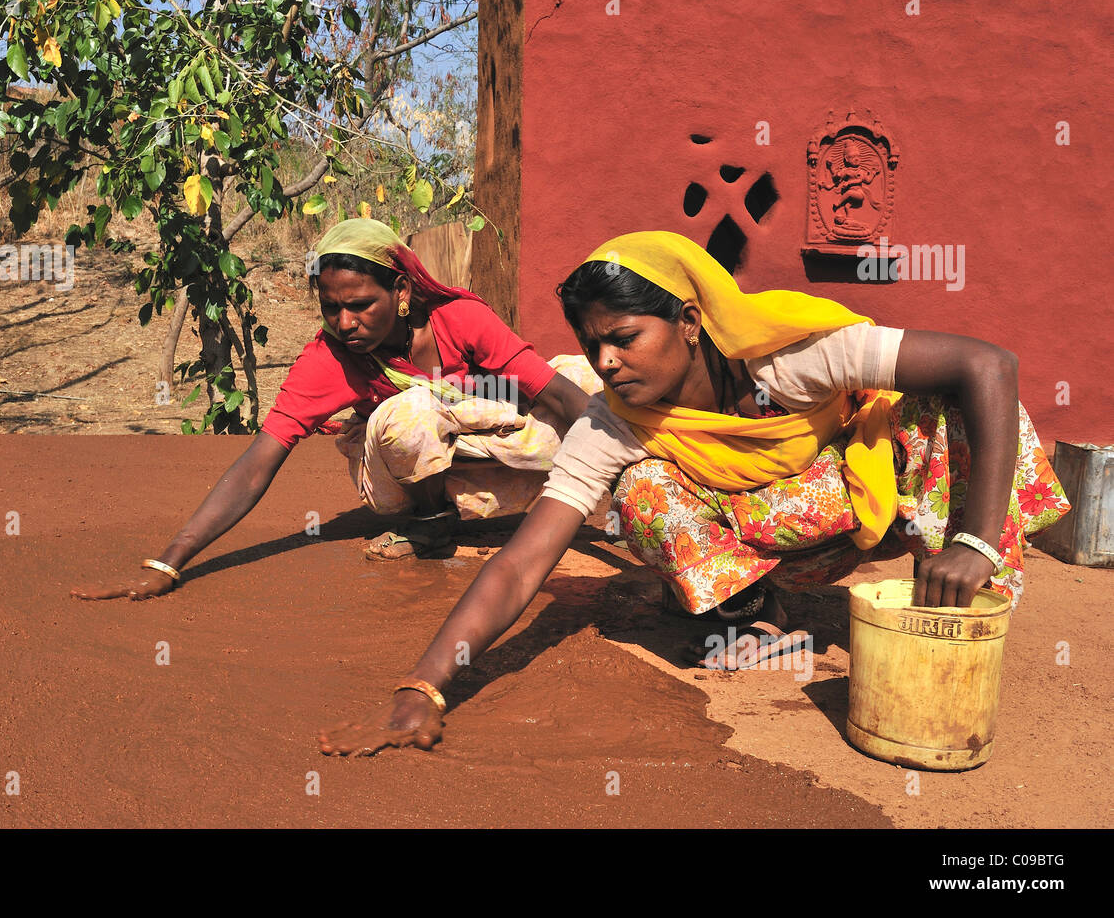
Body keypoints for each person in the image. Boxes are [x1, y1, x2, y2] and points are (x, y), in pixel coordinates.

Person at [318, 230, 1071, 756]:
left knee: (941, 409)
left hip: (855, 513)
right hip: (771, 549)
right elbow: (520, 564)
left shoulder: (793, 358)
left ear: (686, 322)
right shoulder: (617, 422)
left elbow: (990, 365)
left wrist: (972, 540)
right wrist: (427, 684)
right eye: (591, 346)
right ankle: (754, 614)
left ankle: (959, 626)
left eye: (623, 337)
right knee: (641, 489)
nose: (605, 363)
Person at [70, 218, 599, 601]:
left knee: (582, 374)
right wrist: (171, 560)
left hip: (491, 454)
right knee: (407, 412)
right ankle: (432, 525)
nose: (345, 323)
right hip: (401, 479)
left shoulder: (459, 319)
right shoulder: (328, 359)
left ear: (401, 290)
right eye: (331, 307)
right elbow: (260, 460)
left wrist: (633, 454)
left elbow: (551, 391)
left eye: (360, 305)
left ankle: (604, 478)